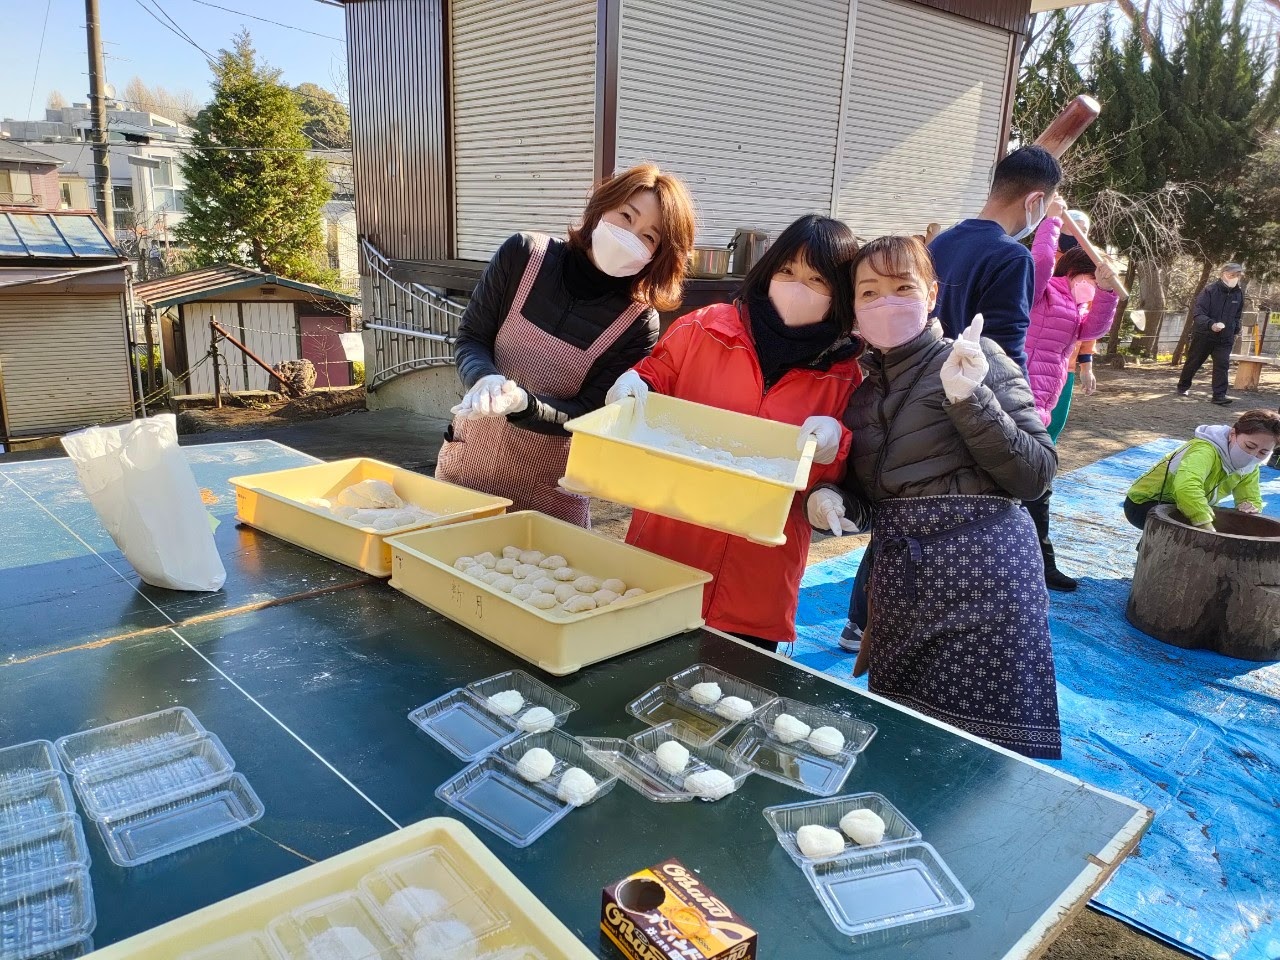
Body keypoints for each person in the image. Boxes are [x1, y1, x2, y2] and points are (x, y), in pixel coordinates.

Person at [808, 235, 1061, 759]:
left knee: (977, 753)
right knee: (904, 741)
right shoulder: (862, 395)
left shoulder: (975, 359)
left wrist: (969, 400)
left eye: (903, 287)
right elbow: (876, 500)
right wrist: (833, 500)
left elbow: (1036, 475)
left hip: (987, 581)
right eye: (869, 292)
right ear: (854, 308)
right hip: (904, 587)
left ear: (932, 293)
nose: (886, 302)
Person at [606, 215, 864, 652]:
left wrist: (836, 446)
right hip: (665, 554)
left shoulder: (846, 377)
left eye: (817, 279)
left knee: (734, 685)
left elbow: (836, 482)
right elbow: (657, 374)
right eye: (787, 270)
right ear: (768, 270)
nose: (797, 287)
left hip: (757, 581)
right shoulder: (704, 328)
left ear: (839, 292)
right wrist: (636, 382)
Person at [438, 164, 696, 525]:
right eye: (626, 216)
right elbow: (473, 337)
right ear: (602, 206)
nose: (629, 236)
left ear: (659, 256)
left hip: (550, 496)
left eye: (649, 237)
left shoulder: (637, 322)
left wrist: (524, 404)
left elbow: (590, 412)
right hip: (466, 473)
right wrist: (484, 378)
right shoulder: (522, 255)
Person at [1021, 202, 1121, 591]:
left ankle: (1039, 563)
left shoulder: (1080, 310)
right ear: (1074, 270)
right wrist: (1051, 220)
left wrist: (1107, 291)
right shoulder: (1043, 291)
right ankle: (1033, 563)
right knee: (1025, 483)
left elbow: (1095, 328)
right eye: (1091, 278)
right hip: (1016, 399)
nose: (1092, 287)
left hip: (1042, 405)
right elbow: (1041, 260)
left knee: (1037, 483)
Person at [928, 145, 1063, 373]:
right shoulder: (1013, 258)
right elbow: (1004, 355)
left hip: (927, 380)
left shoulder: (940, 242)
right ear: (1034, 201)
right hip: (970, 387)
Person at [1123, 408, 1278, 531]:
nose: (1252, 455)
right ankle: (1152, 554)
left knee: (1221, 523)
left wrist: (1250, 506)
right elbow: (1186, 487)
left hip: (1186, 503)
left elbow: (1250, 496)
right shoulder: (1205, 450)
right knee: (1191, 530)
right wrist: (1204, 524)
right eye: (1249, 446)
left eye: (1263, 452)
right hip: (1145, 502)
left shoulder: (1251, 465)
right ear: (1233, 434)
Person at [1176, 263, 1245, 406]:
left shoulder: (1238, 293)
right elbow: (1198, 313)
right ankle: (1183, 386)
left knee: (1222, 365)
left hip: (1225, 337)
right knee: (1194, 362)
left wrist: (1235, 328)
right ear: (1223, 274)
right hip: (1204, 335)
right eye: (1232, 275)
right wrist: (1210, 324)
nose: (1235, 278)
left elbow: (1237, 315)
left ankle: (1219, 395)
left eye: (1238, 275)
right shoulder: (1210, 290)